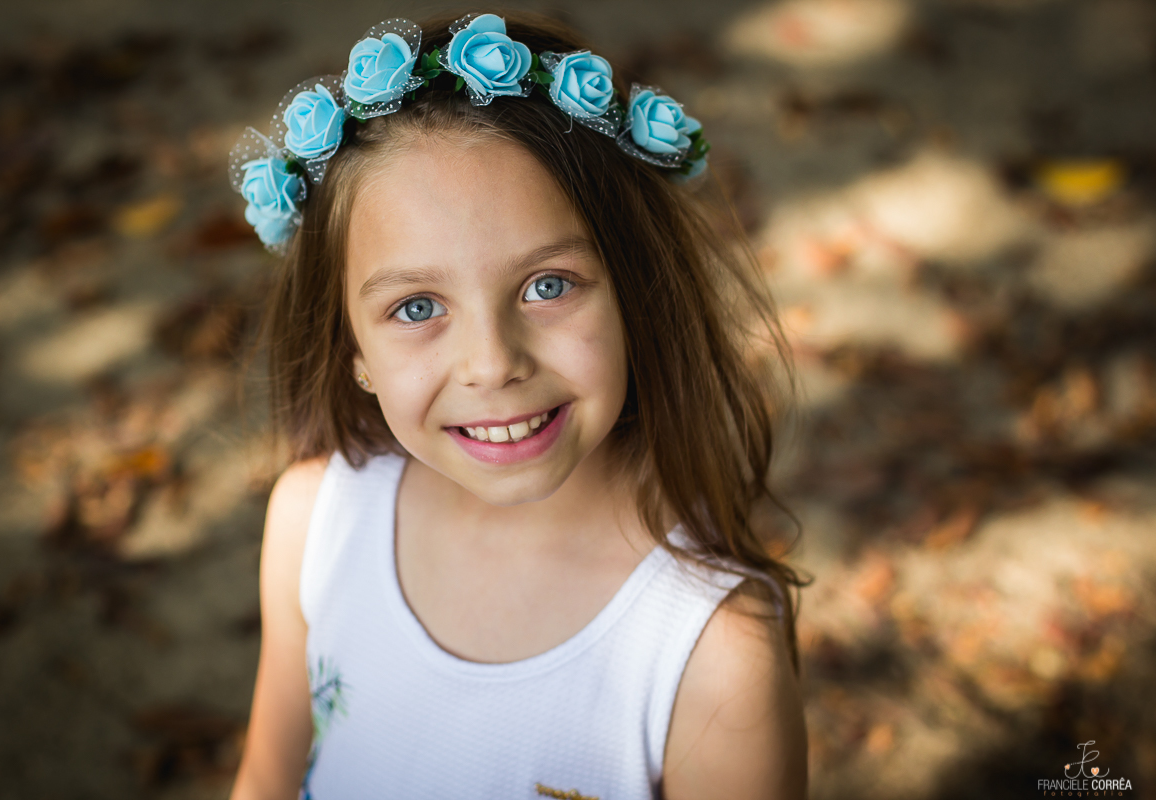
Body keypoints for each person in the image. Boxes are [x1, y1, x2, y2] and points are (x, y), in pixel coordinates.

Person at [227, 10, 809, 800]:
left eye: (548, 286)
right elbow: (266, 778)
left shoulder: (711, 648)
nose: (493, 364)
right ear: (353, 350)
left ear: (636, 291)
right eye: (417, 307)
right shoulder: (317, 525)